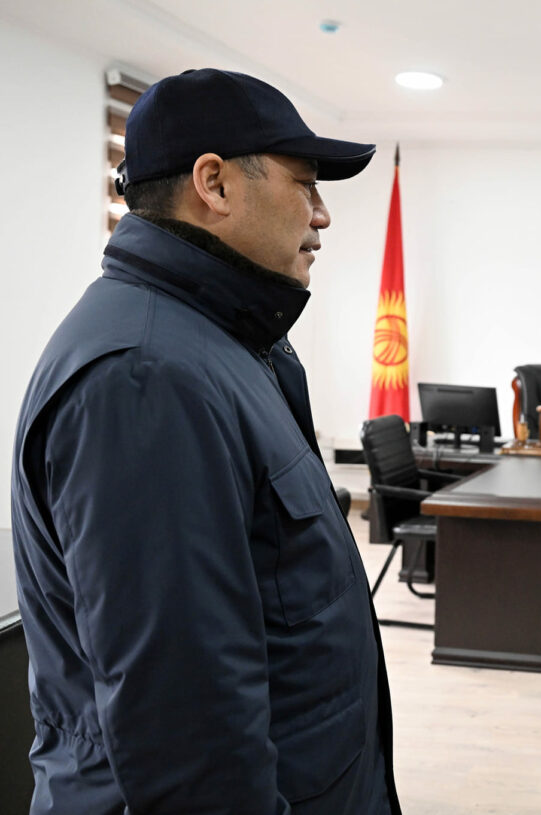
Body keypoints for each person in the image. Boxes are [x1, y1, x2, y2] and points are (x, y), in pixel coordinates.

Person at [10, 69, 400, 814]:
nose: (322, 215)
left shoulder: (228, 344)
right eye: (305, 184)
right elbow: (187, 738)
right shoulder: (145, 378)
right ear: (214, 184)